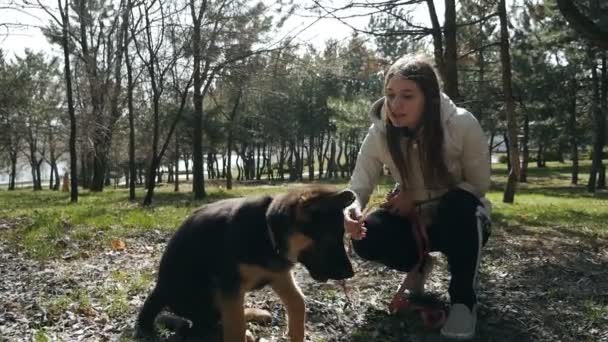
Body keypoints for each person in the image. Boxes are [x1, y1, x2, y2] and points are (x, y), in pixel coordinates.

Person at [343, 54, 492, 340]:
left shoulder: (461, 125)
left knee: (459, 205)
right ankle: (418, 266)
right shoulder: (379, 133)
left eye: (407, 96)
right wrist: (351, 210)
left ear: (430, 98)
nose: (396, 105)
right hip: (414, 222)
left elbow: (478, 185)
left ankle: (463, 301)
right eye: (390, 95)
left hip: (462, 221)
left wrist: (417, 196)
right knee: (368, 235)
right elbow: (359, 186)